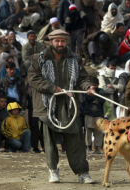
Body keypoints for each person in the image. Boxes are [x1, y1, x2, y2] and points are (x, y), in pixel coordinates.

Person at [28, 29, 96, 183]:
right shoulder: (38, 59)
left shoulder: (75, 59)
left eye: (63, 41)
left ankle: (82, 173)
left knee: (76, 140)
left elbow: (83, 78)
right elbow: (33, 79)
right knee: (50, 141)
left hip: (69, 105)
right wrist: (53, 88)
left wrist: (88, 87)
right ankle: (53, 171)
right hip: (47, 104)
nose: (60, 43)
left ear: (66, 42)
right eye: (57, 41)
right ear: (51, 41)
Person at [83, 77, 105, 154]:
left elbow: (102, 100)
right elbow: (87, 100)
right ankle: (88, 147)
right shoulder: (87, 92)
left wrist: (95, 94)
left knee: (98, 131)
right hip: (89, 113)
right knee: (88, 131)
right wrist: (93, 94)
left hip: (98, 114)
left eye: (96, 85)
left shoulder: (101, 91)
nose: (94, 87)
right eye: (93, 85)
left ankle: (97, 147)